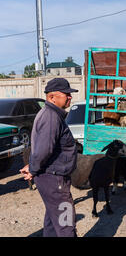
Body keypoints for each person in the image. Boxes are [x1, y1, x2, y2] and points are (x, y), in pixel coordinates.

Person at [20, 78, 79, 237]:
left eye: (70, 94)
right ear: (52, 97)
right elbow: (43, 149)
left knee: (53, 223)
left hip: (51, 177)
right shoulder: (51, 117)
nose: (70, 97)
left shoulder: (51, 114)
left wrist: (32, 165)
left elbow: (41, 147)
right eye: (66, 94)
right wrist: (33, 168)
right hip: (54, 179)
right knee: (65, 225)